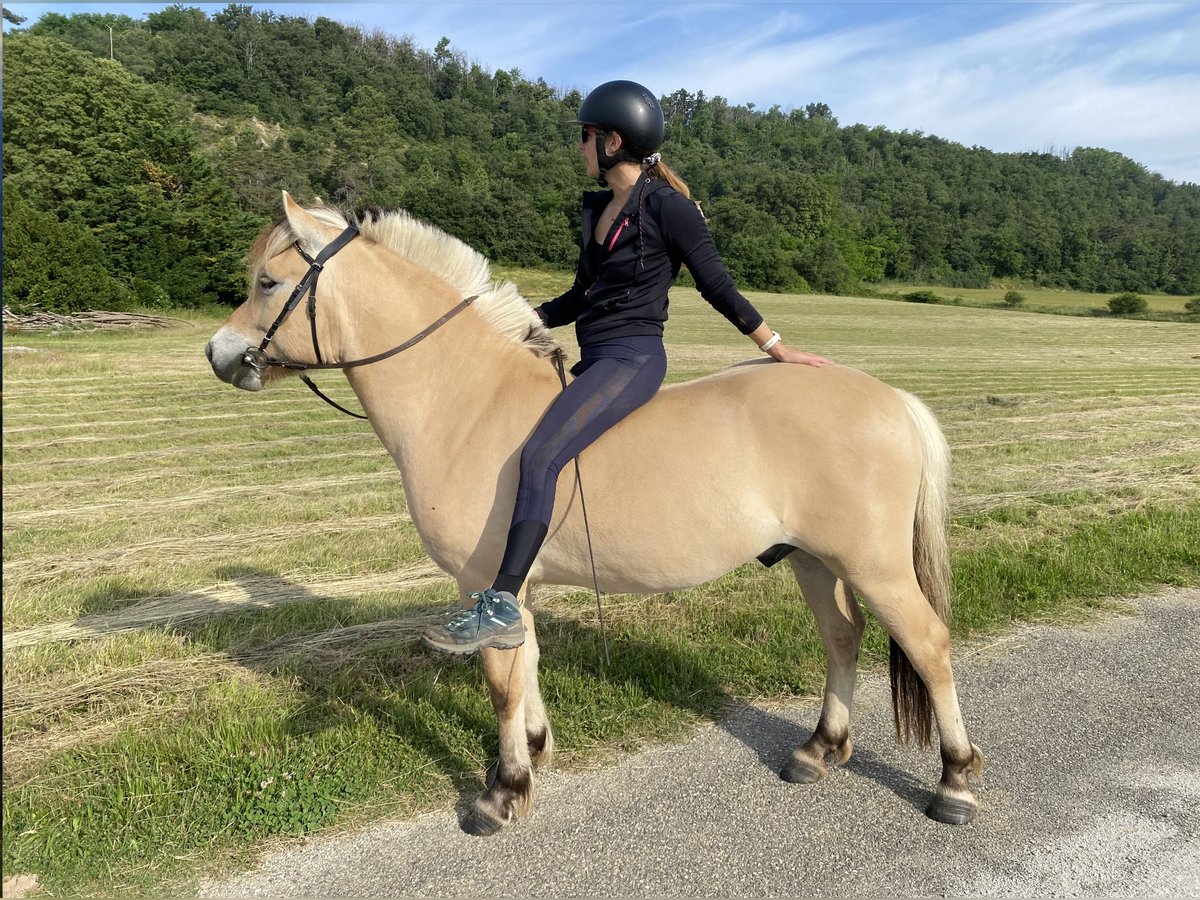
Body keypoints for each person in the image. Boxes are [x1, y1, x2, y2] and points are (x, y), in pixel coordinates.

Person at [422, 79, 835, 656]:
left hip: (634, 358)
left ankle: (503, 602)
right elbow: (579, 297)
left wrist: (777, 348)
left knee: (540, 454)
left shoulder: (669, 209)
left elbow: (718, 287)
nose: (579, 147)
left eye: (585, 137)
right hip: (595, 357)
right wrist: (508, 319)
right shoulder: (598, 207)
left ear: (613, 141)